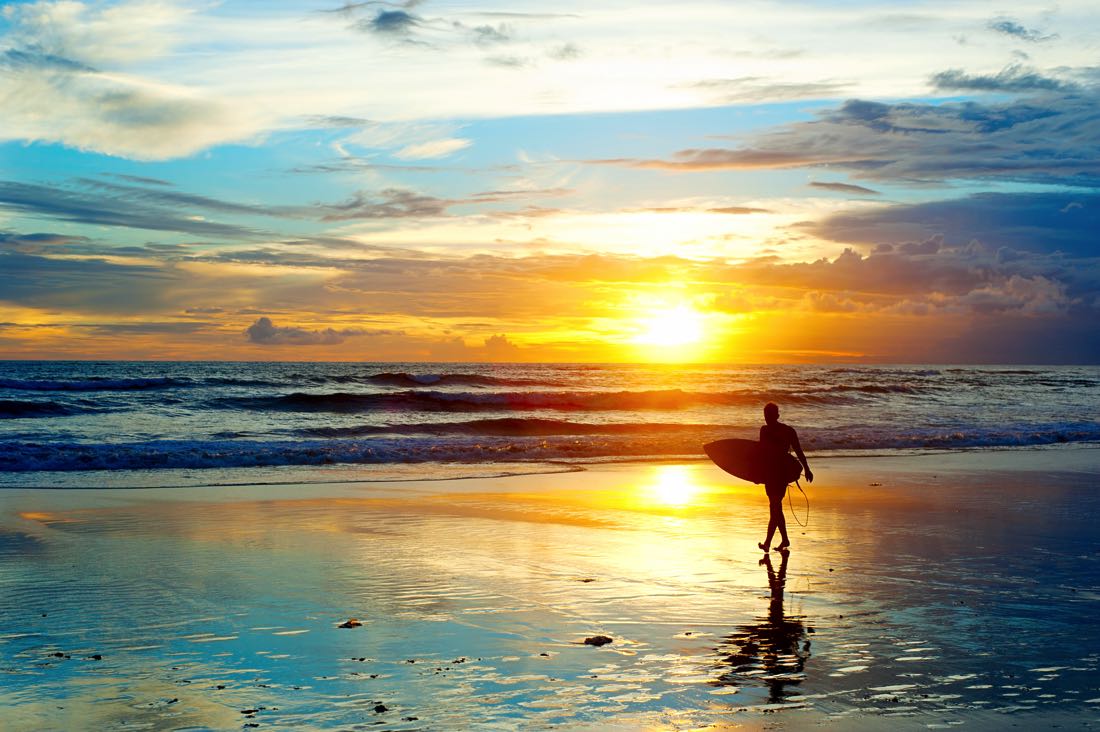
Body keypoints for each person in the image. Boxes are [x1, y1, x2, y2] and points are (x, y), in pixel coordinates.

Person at [758, 402, 812, 553]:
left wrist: (807, 469)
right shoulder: (764, 430)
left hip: (781, 474)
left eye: (769, 415)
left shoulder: (788, 431)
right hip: (769, 474)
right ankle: (785, 539)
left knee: (775, 506)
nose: (767, 418)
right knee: (775, 508)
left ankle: (768, 542)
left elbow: (798, 450)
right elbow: (761, 455)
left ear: (777, 415)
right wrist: (756, 475)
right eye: (765, 415)